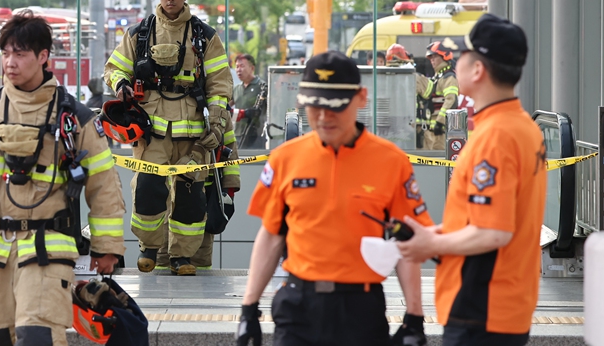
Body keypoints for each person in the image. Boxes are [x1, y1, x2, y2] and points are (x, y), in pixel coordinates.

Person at [0, 11, 127, 346]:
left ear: (44, 57)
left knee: (38, 338)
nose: (10, 63)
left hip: (47, 254)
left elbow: (103, 187)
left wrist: (108, 249)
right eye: (5, 54)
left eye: (20, 54)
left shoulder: (75, 119)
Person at [236, 52, 431, 346]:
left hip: (361, 310)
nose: (324, 117)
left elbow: (407, 242)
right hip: (298, 307)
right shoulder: (285, 159)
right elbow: (272, 234)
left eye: (335, 107)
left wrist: (414, 317)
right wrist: (248, 310)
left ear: (361, 98)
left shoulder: (391, 162)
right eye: (315, 106)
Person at [398, 14, 546, 346]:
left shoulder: (494, 137)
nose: (455, 63)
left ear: (478, 70)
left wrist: (431, 244)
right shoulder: (524, 128)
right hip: (505, 304)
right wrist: (434, 233)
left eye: (461, 56)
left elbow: (493, 231)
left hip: (480, 308)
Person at [104, 0, 232, 276]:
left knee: (190, 195)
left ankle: (181, 257)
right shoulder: (140, 33)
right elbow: (114, 69)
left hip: (194, 133)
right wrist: (121, 84)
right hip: (152, 132)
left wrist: (216, 124)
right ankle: (149, 247)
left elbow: (220, 85)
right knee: (148, 188)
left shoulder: (205, 37)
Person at [155, 104, 241, 271]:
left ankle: (199, 290)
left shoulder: (220, 117)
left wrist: (228, 190)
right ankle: (161, 290)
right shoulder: (168, 109)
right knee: (163, 250)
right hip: (170, 195)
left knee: (202, 251)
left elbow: (231, 154)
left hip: (206, 193)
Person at [421, 41, 460, 150]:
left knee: (440, 160)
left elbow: (451, 100)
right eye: (430, 57)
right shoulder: (438, 77)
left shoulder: (449, 78)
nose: (432, 60)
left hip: (441, 129)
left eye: (435, 57)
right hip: (433, 128)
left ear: (444, 56)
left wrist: (440, 122)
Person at [233, 53, 268, 150]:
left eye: (242, 66)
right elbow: (226, 108)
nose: (239, 70)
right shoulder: (236, 89)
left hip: (256, 136)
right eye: (237, 67)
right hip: (238, 135)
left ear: (252, 68)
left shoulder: (262, 87)